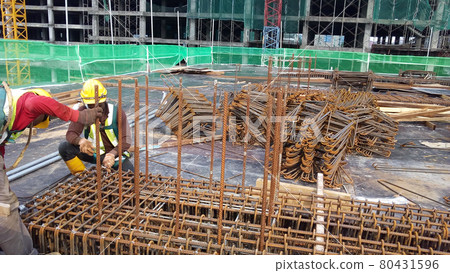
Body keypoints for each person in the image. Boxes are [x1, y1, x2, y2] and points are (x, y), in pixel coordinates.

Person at [0, 82, 103, 255]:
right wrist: (78, 116)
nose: (33, 125)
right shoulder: (28, 102)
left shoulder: (9, 113)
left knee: (9, 202)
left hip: (110, 157)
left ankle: (26, 251)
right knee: (4, 208)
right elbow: (42, 104)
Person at [58, 79, 133, 175]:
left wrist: (112, 154)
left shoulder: (117, 112)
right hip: (94, 153)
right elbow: (70, 134)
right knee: (65, 147)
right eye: (90, 106)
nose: (94, 109)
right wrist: (80, 141)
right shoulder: (83, 111)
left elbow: (126, 140)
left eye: (98, 105)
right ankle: (82, 176)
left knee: (132, 179)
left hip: (115, 156)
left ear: (104, 100)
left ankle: (113, 163)